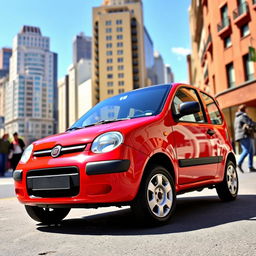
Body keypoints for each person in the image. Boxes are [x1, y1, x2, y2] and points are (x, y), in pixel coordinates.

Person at [234, 104, 256, 173]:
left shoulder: (237, 117)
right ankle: (239, 163)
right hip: (245, 136)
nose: (248, 110)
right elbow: (250, 123)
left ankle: (250, 167)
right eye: (246, 109)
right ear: (244, 109)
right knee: (246, 150)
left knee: (251, 151)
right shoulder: (243, 116)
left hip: (242, 136)